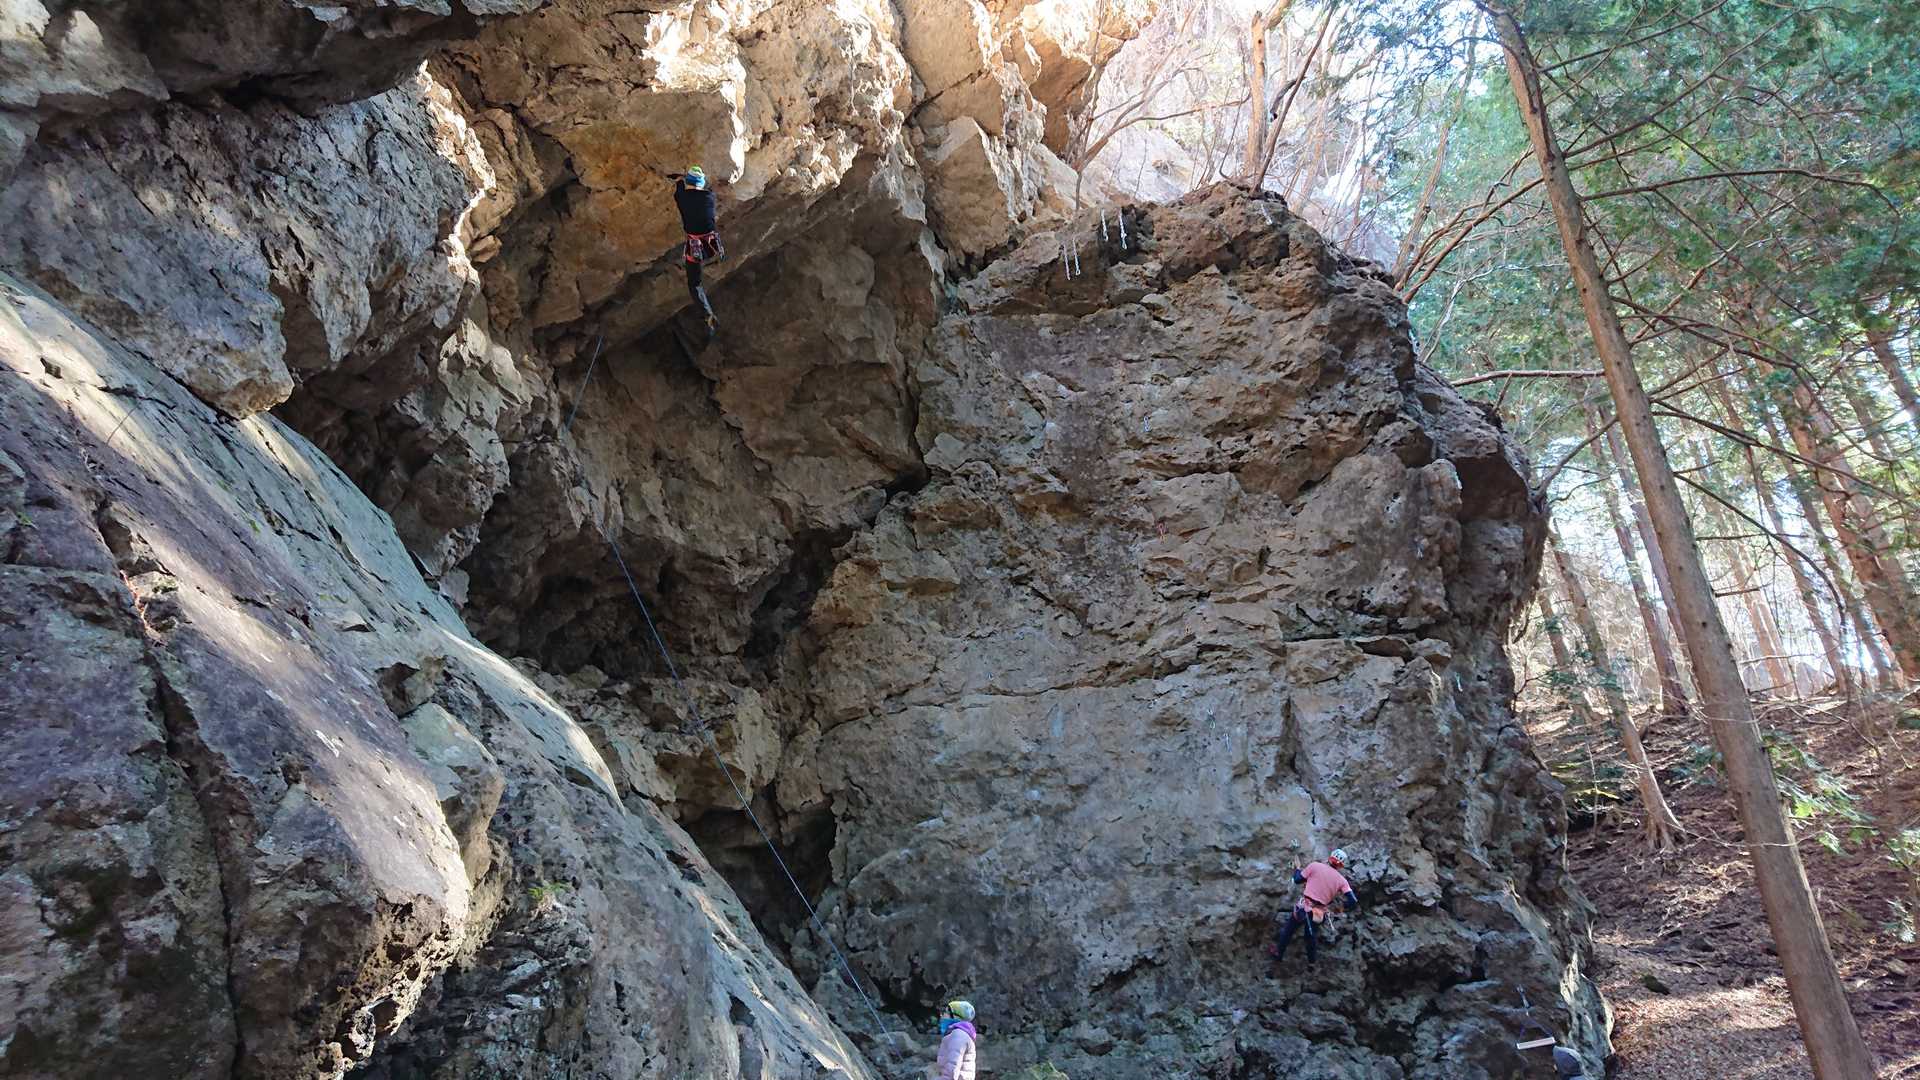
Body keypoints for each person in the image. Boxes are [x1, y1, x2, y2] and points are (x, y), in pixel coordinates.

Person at [1270, 847, 1358, 968]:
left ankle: (1278, 954)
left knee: (1288, 930)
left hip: (1304, 906)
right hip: (1318, 912)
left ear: (1330, 858)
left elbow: (1297, 880)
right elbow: (1353, 900)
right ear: (1341, 865)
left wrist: (1297, 868)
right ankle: (1311, 963)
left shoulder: (1315, 866)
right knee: (1310, 936)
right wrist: (1339, 909)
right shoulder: (1342, 881)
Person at [666, 165, 724, 331]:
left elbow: (680, 187)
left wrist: (679, 179)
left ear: (689, 182)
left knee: (695, 284)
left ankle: (707, 314)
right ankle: (708, 316)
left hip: (695, 247)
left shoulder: (682, 197)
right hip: (712, 244)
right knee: (696, 283)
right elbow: (698, 191)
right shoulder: (710, 197)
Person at [935, 1000, 977, 1080]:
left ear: (955, 1016)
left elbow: (953, 1068)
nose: (941, 1015)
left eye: (945, 1012)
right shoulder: (959, 1034)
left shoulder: (958, 1035)